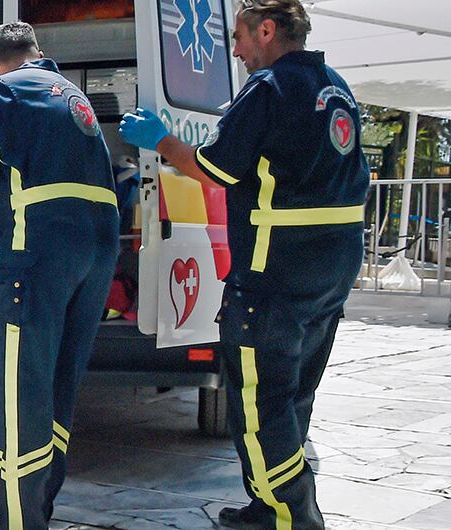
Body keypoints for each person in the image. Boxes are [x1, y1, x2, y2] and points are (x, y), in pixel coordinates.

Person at [118, 2, 368, 528]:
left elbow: (215, 169)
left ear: (268, 31)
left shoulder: (268, 89)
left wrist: (160, 141)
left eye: (239, 37)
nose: (234, 48)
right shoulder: (335, 86)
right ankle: (266, 507)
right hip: (332, 269)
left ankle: (293, 518)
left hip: (274, 274)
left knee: (260, 407)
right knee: (295, 395)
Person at [0, 22, 120, 530]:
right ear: (38, 54)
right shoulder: (73, 97)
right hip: (95, 253)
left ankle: (17, 523)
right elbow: (24, 203)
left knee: (23, 393)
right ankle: (31, 505)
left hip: (38, 261)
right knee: (58, 384)